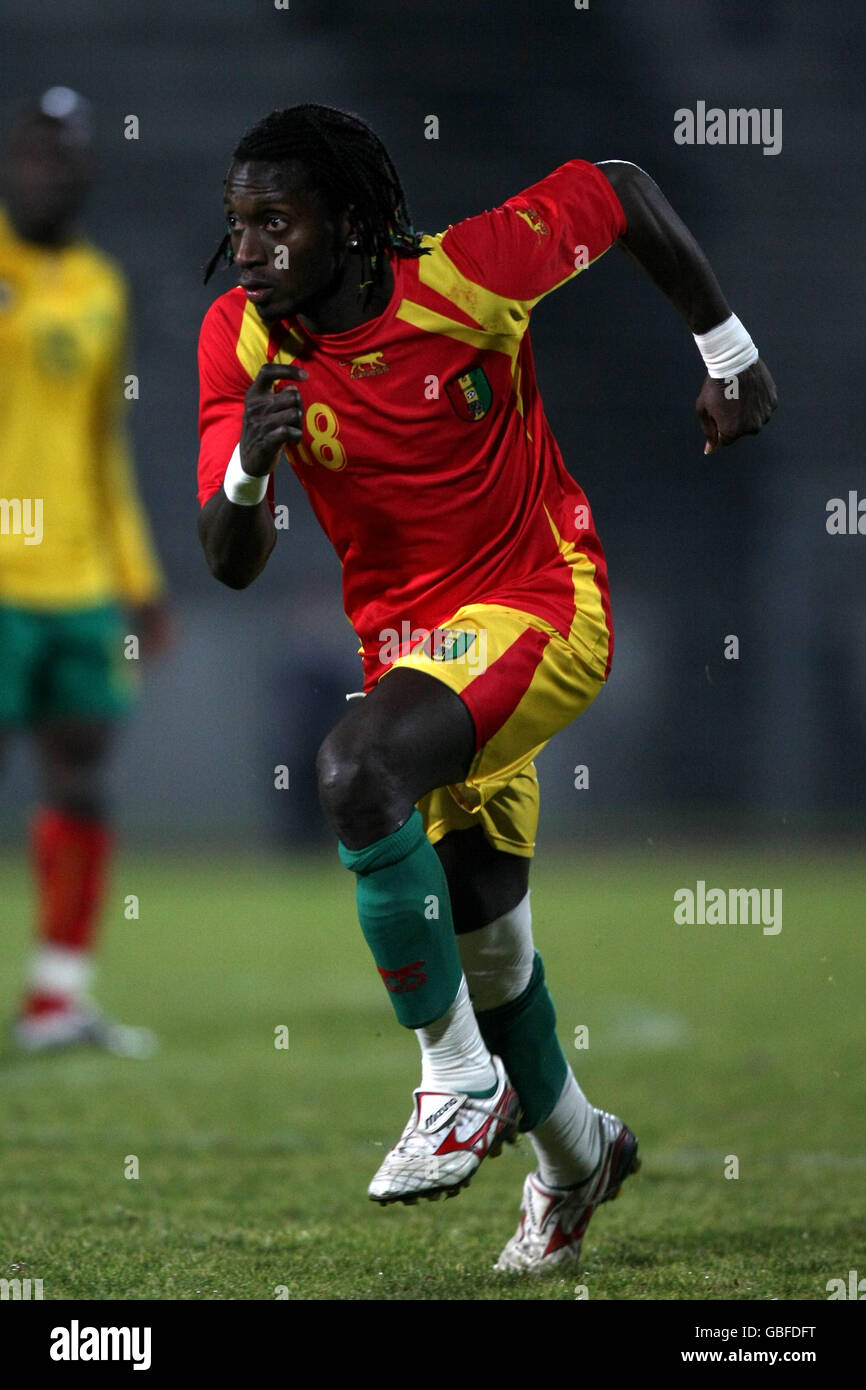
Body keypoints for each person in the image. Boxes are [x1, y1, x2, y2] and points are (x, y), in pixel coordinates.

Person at [196, 104, 776, 1271]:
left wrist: (728, 351)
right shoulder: (243, 338)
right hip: (414, 659)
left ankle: (455, 1085)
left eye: (274, 222)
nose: (248, 250)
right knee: (491, 949)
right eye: (238, 224)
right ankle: (576, 1159)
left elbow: (614, 185)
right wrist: (252, 461)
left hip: (540, 602)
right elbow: (230, 558)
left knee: (354, 771)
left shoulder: (468, 273)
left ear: (349, 223)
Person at [0, 89, 169, 1057]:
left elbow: (103, 441)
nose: (44, 170)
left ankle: (57, 998)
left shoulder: (103, 286)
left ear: (86, 169)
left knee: (84, 778)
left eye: (61, 156)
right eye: (30, 153)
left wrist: (138, 573)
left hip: (78, 580)